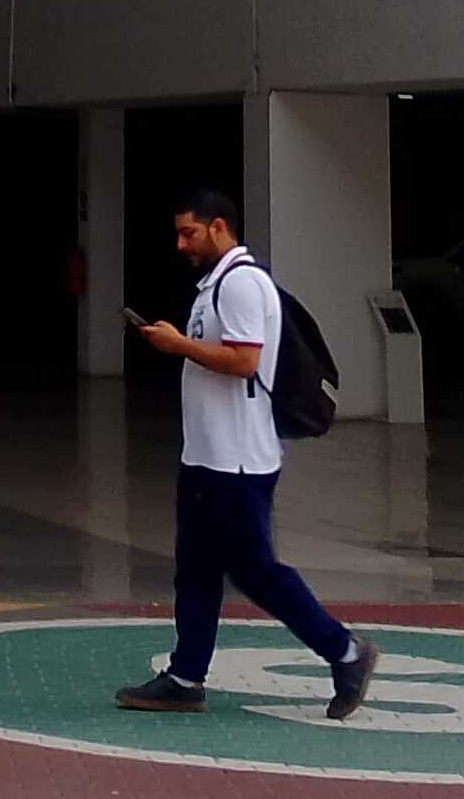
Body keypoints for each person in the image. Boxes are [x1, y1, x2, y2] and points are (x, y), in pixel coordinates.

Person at [116, 188, 370, 719]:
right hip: (207, 456)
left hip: (235, 460)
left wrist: (178, 345)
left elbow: (244, 361)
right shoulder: (215, 285)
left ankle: (344, 651)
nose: (181, 244)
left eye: (189, 233)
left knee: (255, 569)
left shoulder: (241, 284)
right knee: (197, 568)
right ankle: (186, 676)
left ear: (219, 227)